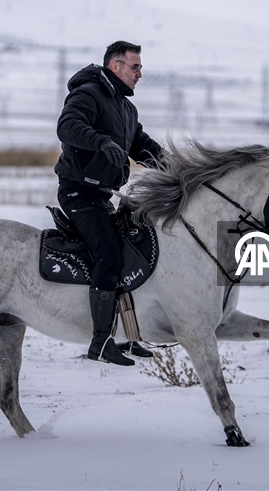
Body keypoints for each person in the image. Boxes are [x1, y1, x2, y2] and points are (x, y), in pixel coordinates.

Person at [54, 40, 163, 366]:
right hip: (78, 193)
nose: (140, 73)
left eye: (141, 67)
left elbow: (141, 145)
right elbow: (67, 126)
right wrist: (100, 142)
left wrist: (177, 168)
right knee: (109, 255)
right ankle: (100, 344)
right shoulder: (88, 93)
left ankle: (129, 337)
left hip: (103, 196)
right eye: (135, 67)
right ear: (115, 66)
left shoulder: (126, 109)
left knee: (129, 257)